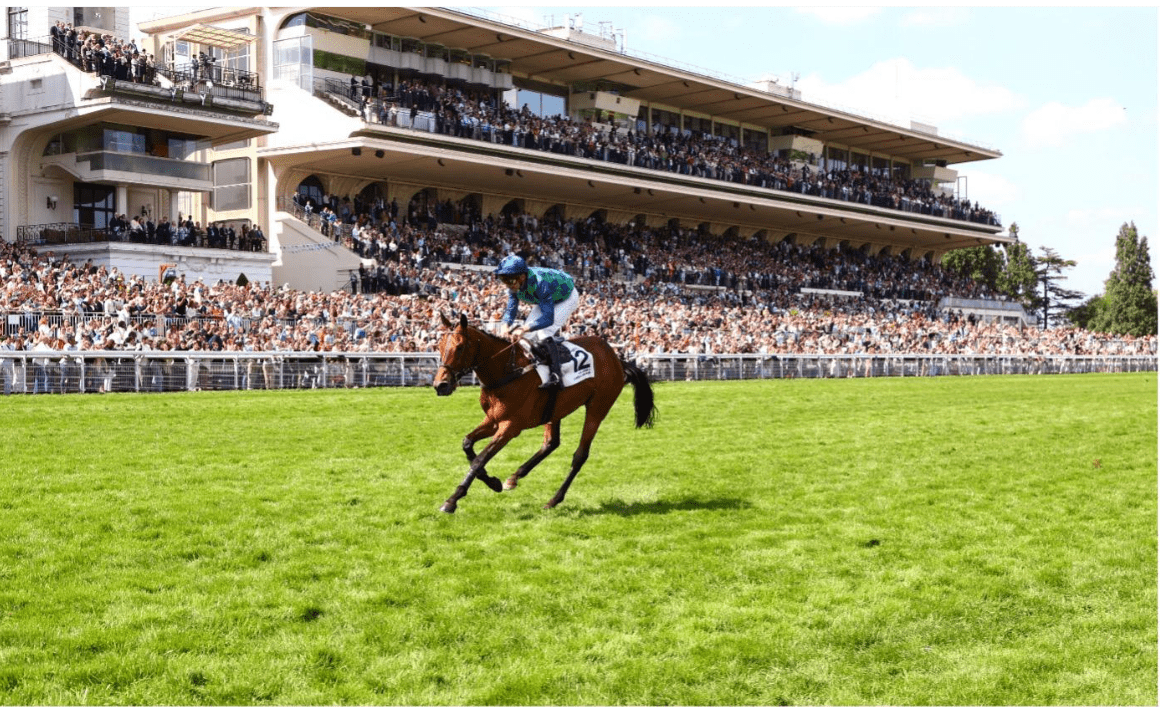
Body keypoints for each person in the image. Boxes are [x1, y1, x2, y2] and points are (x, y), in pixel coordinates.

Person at [494, 254, 579, 389]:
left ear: (522, 277)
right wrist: (504, 326)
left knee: (544, 332)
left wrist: (523, 328)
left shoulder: (540, 283)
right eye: (503, 280)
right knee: (526, 336)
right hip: (547, 299)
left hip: (566, 297)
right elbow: (511, 310)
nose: (506, 284)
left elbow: (548, 319)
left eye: (509, 280)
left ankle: (556, 376)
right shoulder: (514, 285)